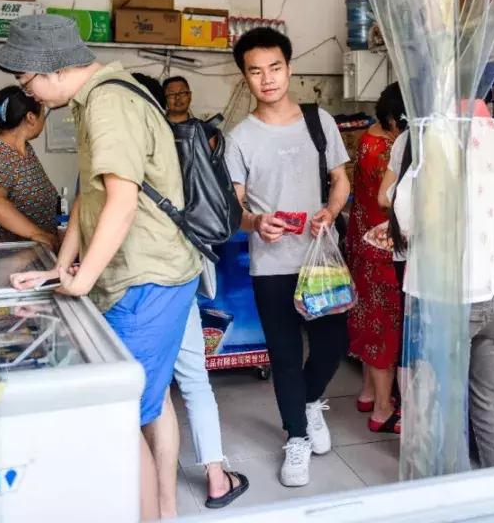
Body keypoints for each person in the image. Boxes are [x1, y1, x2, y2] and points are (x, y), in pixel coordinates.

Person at [0, 15, 227, 520]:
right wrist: (61, 267)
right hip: (153, 271)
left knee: (122, 412)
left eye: (28, 81)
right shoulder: (99, 97)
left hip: (145, 278)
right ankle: (165, 510)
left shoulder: (108, 102)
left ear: (52, 69)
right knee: (152, 400)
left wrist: (80, 279)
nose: (30, 94)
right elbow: (89, 193)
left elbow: (121, 201)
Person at [380, 101, 494, 468]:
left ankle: (453, 492)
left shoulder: (432, 137)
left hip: (450, 294)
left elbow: (402, 209)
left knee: (443, 404)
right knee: (488, 400)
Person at [224, 27, 350, 488]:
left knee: (333, 343)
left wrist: (331, 210)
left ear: (289, 68)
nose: (268, 79)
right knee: (283, 353)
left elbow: (340, 179)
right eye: (255, 71)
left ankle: (311, 400)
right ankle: (295, 435)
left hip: (320, 258)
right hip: (272, 264)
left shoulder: (319, 121)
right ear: (245, 78)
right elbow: (233, 210)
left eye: (275, 68)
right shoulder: (240, 138)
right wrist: (257, 222)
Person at [131, 74, 249, 508]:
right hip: (176, 278)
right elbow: (216, 207)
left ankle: (152, 494)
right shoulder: (192, 141)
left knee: (150, 390)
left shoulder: (127, 151)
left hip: (140, 288)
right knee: (191, 381)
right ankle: (213, 478)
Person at [347, 83, 406, 434]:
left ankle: (369, 393)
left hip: (361, 242)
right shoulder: (392, 149)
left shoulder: (368, 138)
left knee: (368, 321)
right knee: (384, 328)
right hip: (383, 246)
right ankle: (383, 409)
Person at [0, 86, 58, 249]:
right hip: (6, 260)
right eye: (42, 113)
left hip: (32, 255)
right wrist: (37, 234)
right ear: (31, 117)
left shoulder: (24, 149)